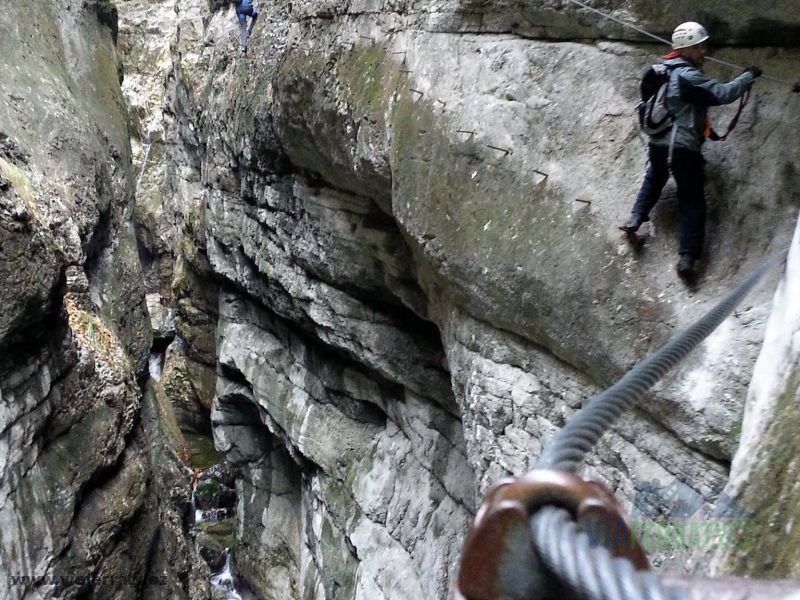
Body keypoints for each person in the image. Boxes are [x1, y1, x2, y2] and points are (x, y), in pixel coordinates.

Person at [620, 22, 761, 281]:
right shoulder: (687, 76)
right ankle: (687, 260)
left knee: (655, 178)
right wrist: (748, 75)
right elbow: (722, 93)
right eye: (700, 47)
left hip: (659, 144)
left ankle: (634, 219)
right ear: (687, 48)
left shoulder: (660, 70)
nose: (704, 52)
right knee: (692, 201)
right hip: (682, 147)